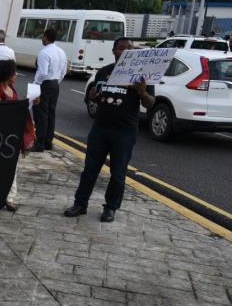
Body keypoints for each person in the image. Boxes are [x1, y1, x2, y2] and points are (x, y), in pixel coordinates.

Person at [64, 37, 154, 223]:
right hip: (101, 128)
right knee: (90, 169)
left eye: (130, 48)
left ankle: (111, 208)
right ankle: (80, 204)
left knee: (118, 173)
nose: (126, 51)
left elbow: (150, 103)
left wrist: (142, 92)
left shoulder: (141, 76)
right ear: (114, 51)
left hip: (125, 131)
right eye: (122, 48)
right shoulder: (104, 72)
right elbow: (95, 97)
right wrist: (93, 96)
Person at [0, 59, 37, 212]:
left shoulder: (11, 88)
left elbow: (16, 107)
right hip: (0, 134)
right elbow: (4, 111)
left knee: (13, 167)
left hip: (13, 134)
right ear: (6, 74)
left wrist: (31, 102)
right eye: (13, 72)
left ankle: (10, 197)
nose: (16, 75)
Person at [31, 28, 68, 151]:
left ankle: (39, 144)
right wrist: (57, 81)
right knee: (51, 114)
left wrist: (36, 84)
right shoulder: (61, 52)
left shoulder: (44, 52)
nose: (42, 39)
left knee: (41, 115)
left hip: (44, 84)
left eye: (43, 37)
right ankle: (48, 142)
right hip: (55, 85)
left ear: (46, 37)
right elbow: (64, 71)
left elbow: (42, 72)